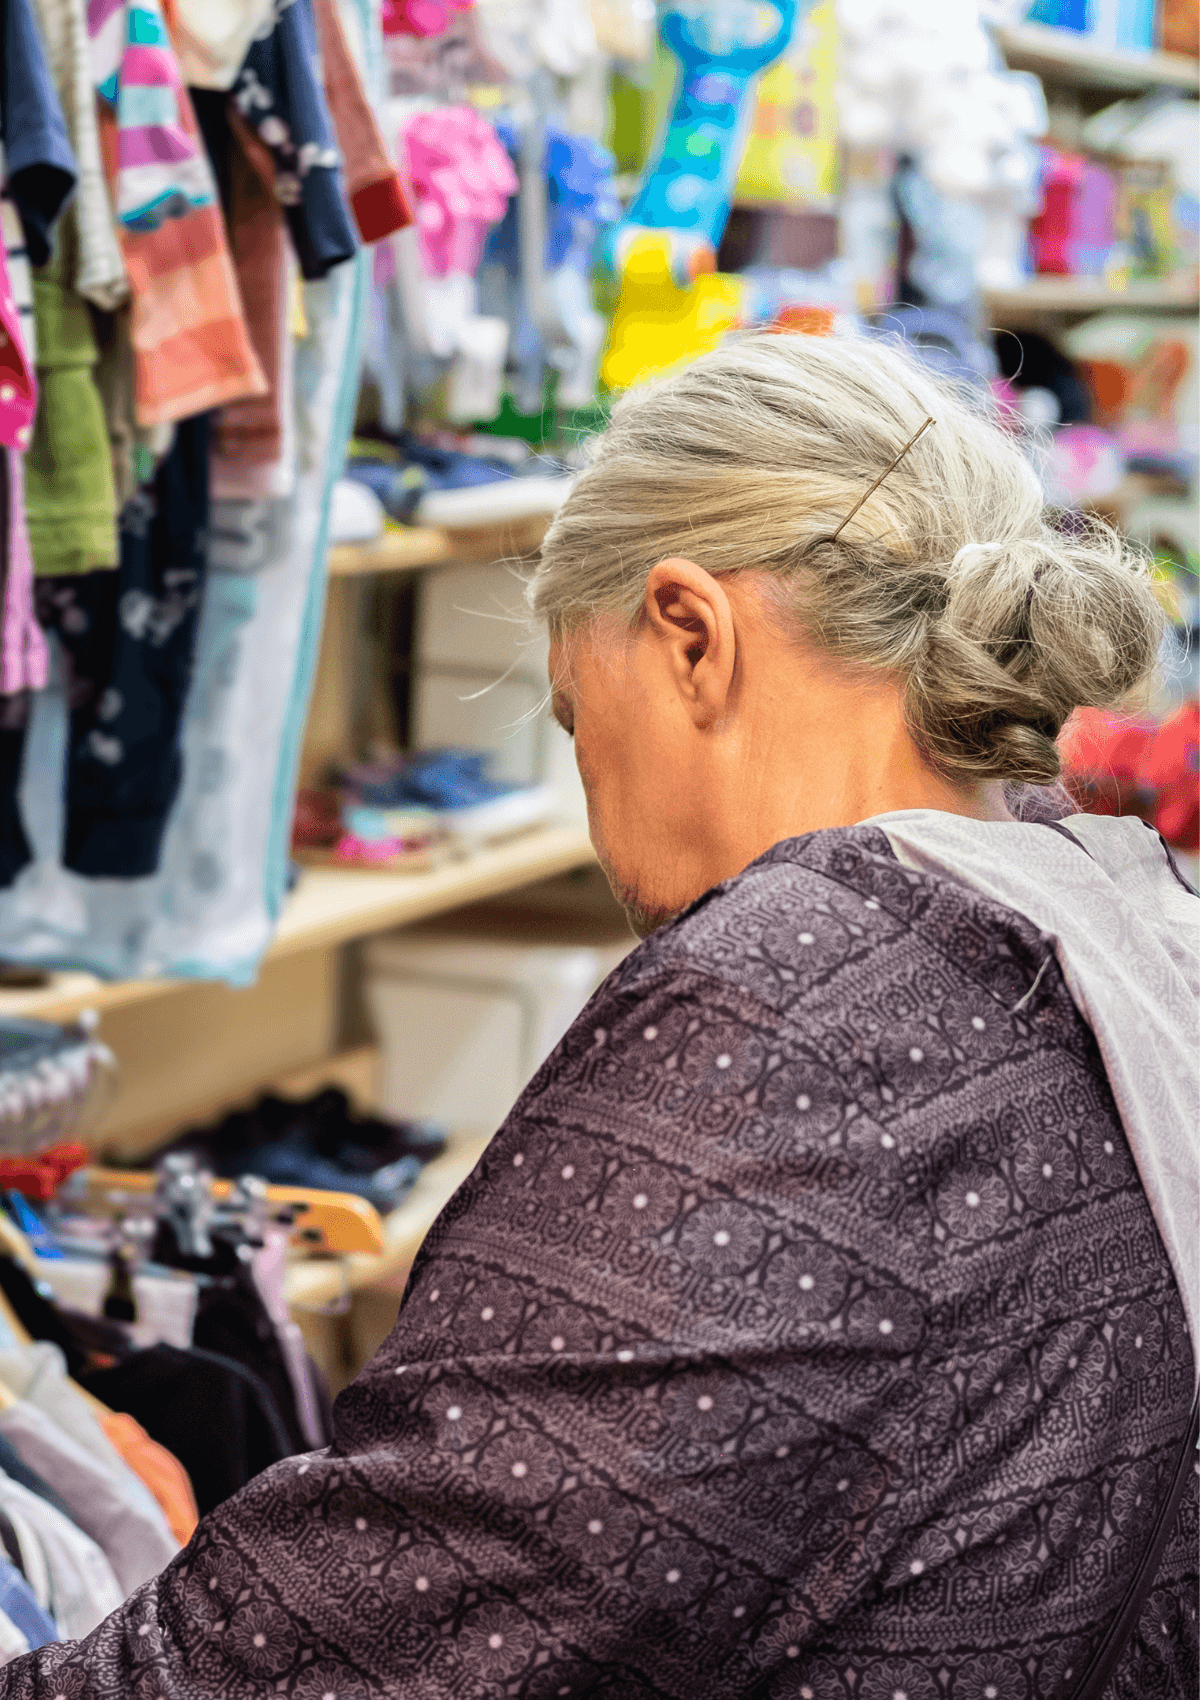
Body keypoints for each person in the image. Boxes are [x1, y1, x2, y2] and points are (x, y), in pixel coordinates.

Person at [2, 333, 1196, 1698]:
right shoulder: (1091, 918)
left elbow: (385, 1619)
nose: (599, 824)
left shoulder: (805, 997)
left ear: (690, 636)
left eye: (580, 724)